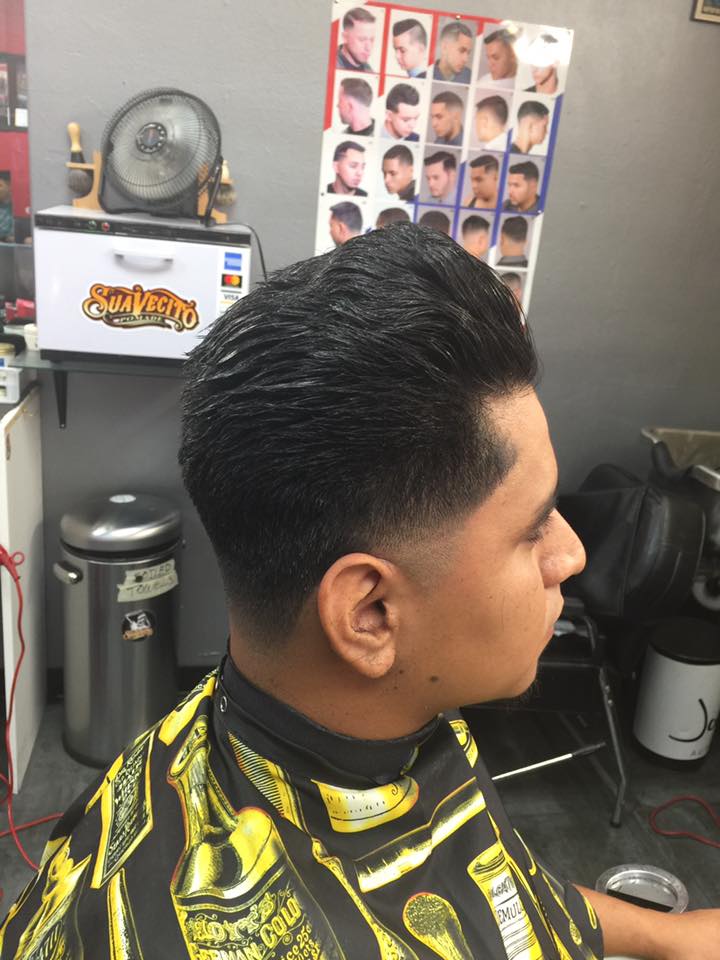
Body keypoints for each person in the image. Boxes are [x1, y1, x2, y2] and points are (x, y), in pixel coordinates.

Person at [5, 225, 718, 959]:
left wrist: (669, 939)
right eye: (533, 527)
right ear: (370, 614)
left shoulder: (393, 720)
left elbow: (503, 893)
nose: (571, 554)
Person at [337, 6, 376, 72]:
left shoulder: (370, 71)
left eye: (372, 40)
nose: (368, 48)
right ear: (345, 37)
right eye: (362, 39)